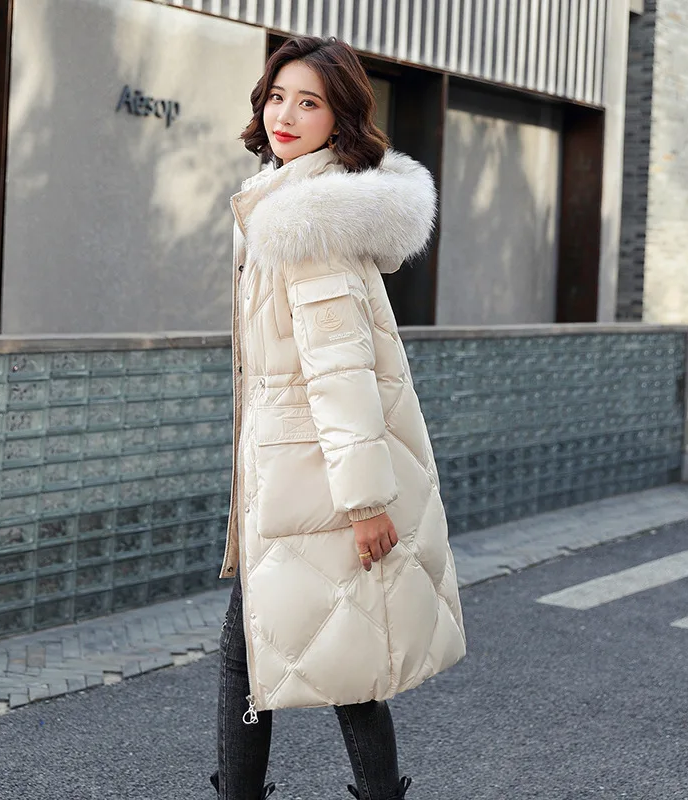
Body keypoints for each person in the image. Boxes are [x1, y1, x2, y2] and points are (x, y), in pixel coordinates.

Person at [211, 36, 466, 800]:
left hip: (312, 480)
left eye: (309, 102)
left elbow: (340, 371)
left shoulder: (307, 222)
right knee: (320, 659)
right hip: (297, 473)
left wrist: (364, 503)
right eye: (277, 96)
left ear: (340, 118)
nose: (284, 114)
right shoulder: (288, 204)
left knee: (291, 660)